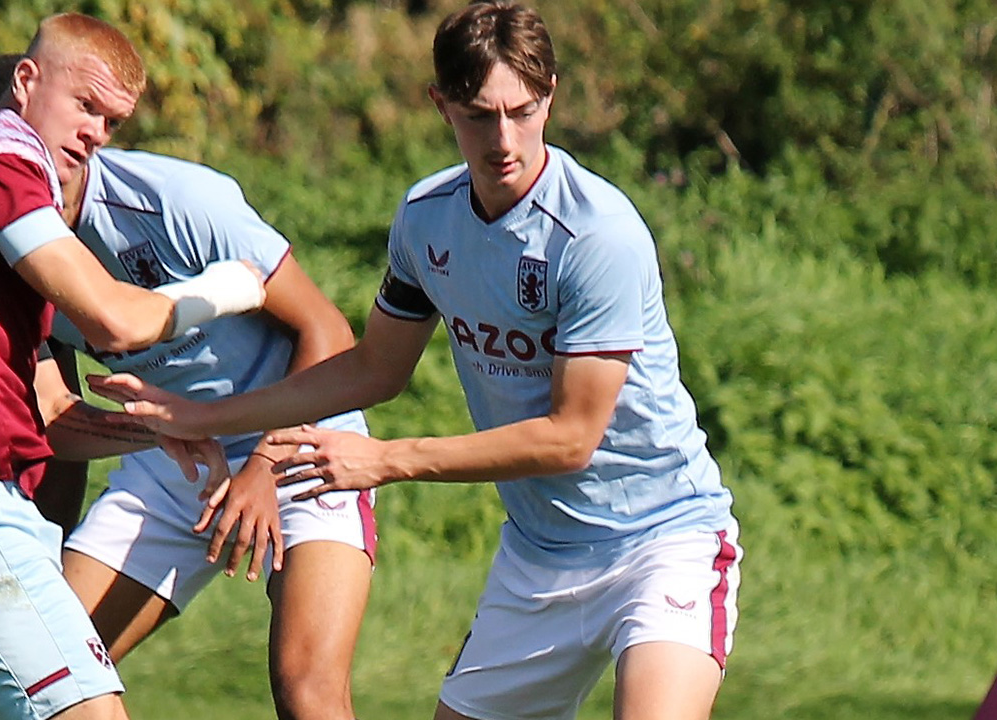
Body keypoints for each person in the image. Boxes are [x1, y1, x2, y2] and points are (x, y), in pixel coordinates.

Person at [88, 2, 743, 719]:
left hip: (661, 540)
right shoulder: (427, 218)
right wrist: (206, 415)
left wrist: (389, 459)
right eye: (478, 115)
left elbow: (570, 437)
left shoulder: (596, 236)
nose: (504, 139)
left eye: (523, 112)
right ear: (441, 104)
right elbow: (373, 369)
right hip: (539, 557)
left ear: (551, 94)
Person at [0, 55, 378, 720]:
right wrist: (45, 542)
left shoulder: (175, 199)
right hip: (167, 462)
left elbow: (327, 331)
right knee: (37, 673)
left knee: (308, 689)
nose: (6, 165)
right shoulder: (6, 252)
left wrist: (263, 466)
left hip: (300, 443)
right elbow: (55, 420)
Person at [0, 14, 264, 720]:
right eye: (85, 105)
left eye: (111, 121)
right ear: (26, 81)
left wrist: (155, 431)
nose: (95, 134)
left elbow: (51, 415)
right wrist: (227, 289)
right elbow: (115, 319)